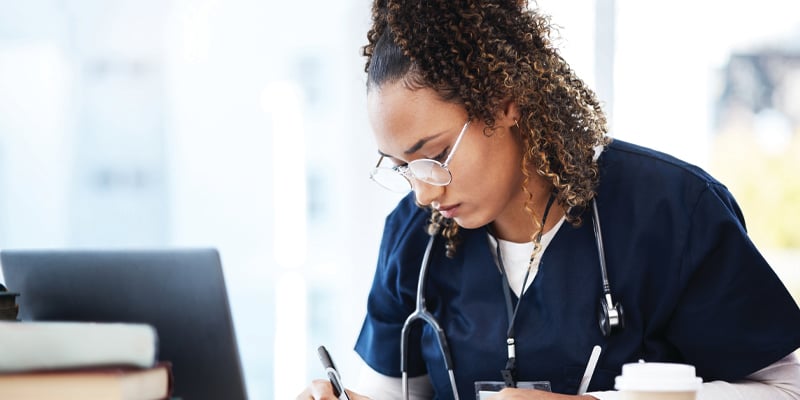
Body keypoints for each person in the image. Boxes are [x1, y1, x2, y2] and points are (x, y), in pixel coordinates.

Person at [298, 0, 800, 399]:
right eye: (402, 167)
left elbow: (785, 390)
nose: (424, 192)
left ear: (505, 101)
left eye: (434, 155)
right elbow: (389, 392)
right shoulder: (414, 236)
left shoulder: (673, 211)